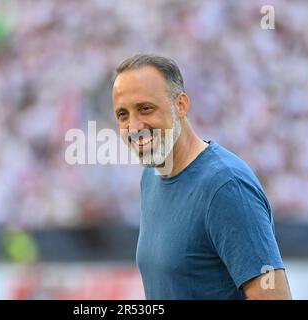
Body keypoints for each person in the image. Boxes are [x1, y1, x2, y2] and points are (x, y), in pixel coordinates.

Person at [111, 53, 292, 300]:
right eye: (123, 115)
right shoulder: (151, 177)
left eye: (145, 109)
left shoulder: (226, 187)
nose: (134, 127)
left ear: (181, 105)